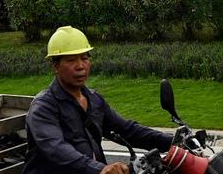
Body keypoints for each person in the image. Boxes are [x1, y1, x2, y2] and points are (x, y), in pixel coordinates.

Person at [23, 26, 172, 174]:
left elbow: (127, 130)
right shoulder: (44, 107)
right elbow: (57, 149)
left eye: (85, 58)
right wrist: (100, 169)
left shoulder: (94, 100)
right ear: (56, 66)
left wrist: (172, 143)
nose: (80, 66)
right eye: (71, 60)